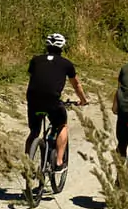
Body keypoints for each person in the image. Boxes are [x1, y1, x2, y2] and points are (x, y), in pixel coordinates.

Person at [26, 32, 87, 168]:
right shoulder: (66, 64)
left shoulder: (35, 60)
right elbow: (76, 85)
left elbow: (34, 77)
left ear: (47, 46)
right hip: (52, 100)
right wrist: (83, 100)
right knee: (62, 125)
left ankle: (27, 163)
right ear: (62, 48)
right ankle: (59, 161)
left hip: (33, 99)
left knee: (34, 132)